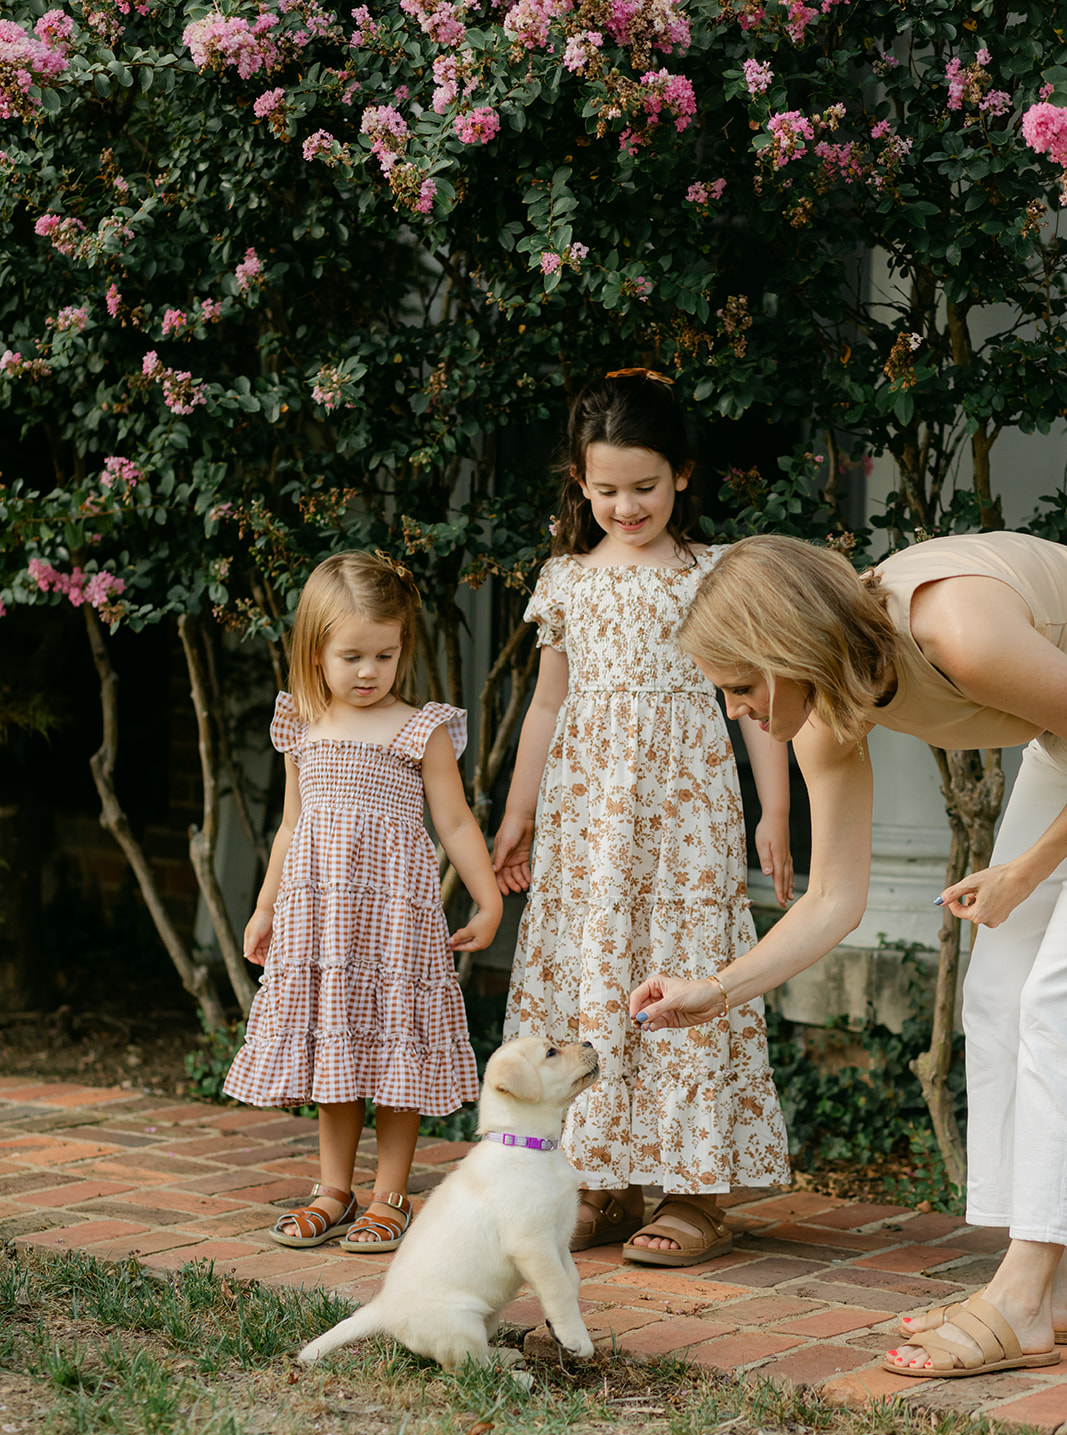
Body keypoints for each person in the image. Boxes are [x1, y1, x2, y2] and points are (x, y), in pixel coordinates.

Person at [631, 528, 1067, 1376]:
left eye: (736, 686)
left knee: (1054, 1002)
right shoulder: (827, 712)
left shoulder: (956, 632)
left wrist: (1024, 870)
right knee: (996, 992)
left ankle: (1019, 1295)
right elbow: (833, 897)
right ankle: (1048, 1289)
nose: (734, 711)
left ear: (784, 649)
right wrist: (713, 990)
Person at [492, 370, 793, 1269]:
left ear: (683, 475)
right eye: (607, 489)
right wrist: (518, 815)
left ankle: (695, 1193)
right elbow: (546, 708)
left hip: (685, 819)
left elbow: (760, 691)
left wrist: (775, 807)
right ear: (580, 485)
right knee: (595, 971)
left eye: (645, 487)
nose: (626, 505)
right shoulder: (565, 581)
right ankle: (600, 1180)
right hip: (591, 823)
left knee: (684, 967)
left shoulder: (715, 573)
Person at [225, 550, 502, 1252]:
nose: (370, 671)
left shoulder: (420, 728)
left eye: (385, 653)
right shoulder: (302, 726)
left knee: (396, 1055)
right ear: (315, 652)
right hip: (321, 925)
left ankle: (390, 1195)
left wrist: (488, 901)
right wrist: (264, 907)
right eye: (351, 655)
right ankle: (333, 1189)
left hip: (393, 925)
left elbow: (456, 821)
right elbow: (290, 826)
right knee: (337, 1053)